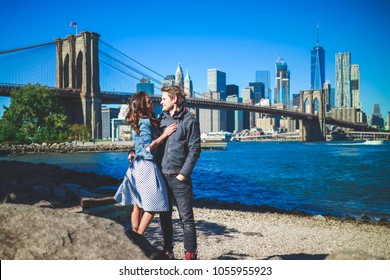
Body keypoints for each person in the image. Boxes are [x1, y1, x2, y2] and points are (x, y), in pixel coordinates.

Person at [114, 91, 177, 235]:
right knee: (154, 204)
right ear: (142, 105)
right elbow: (147, 147)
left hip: (136, 166)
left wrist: (133, 152)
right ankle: (139, 236)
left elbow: (139, 146)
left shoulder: (141, 120)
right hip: (146, 166)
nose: (152, 103)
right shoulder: (145, 121)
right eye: (149, 101)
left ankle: (134, 235)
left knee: (137, 204)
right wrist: (165, 134)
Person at [158, 85, 201, 260]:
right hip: (162, 175)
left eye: (164, 98)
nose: (161, 101)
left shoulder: (190, 120)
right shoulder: (161, 119)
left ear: (174, 99)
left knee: (186, 218)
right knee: (165, 216)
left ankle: (190, 254)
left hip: (179, 177)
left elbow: (195, 149)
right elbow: (148, 140)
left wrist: (183, 174)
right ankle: (168, 250)